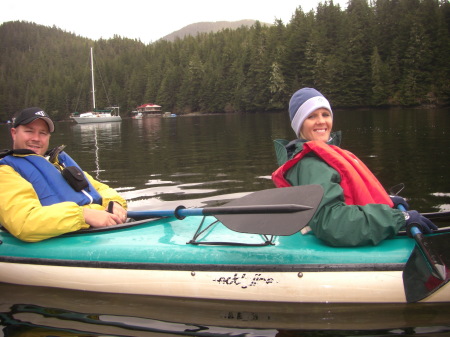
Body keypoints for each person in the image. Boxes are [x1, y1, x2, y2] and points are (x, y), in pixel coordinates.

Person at [272, 88, 437, 247]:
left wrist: (386, 202)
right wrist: (398, 218)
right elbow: (332, 222)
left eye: (325, 114)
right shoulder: (311, 164)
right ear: (299, 125)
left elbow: (348, 194)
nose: (321, 121)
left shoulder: (320, 157)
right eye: (311, 116)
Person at [0, 107, 128, 242]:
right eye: (29, 131)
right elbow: (24, 222)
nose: (36, 138)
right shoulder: (5, 171)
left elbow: (101, 189)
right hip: (67, 238)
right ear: (14, 133)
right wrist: (83, 215)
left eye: (43, 133)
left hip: (99, 229)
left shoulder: (58, 164)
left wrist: (114, 203)